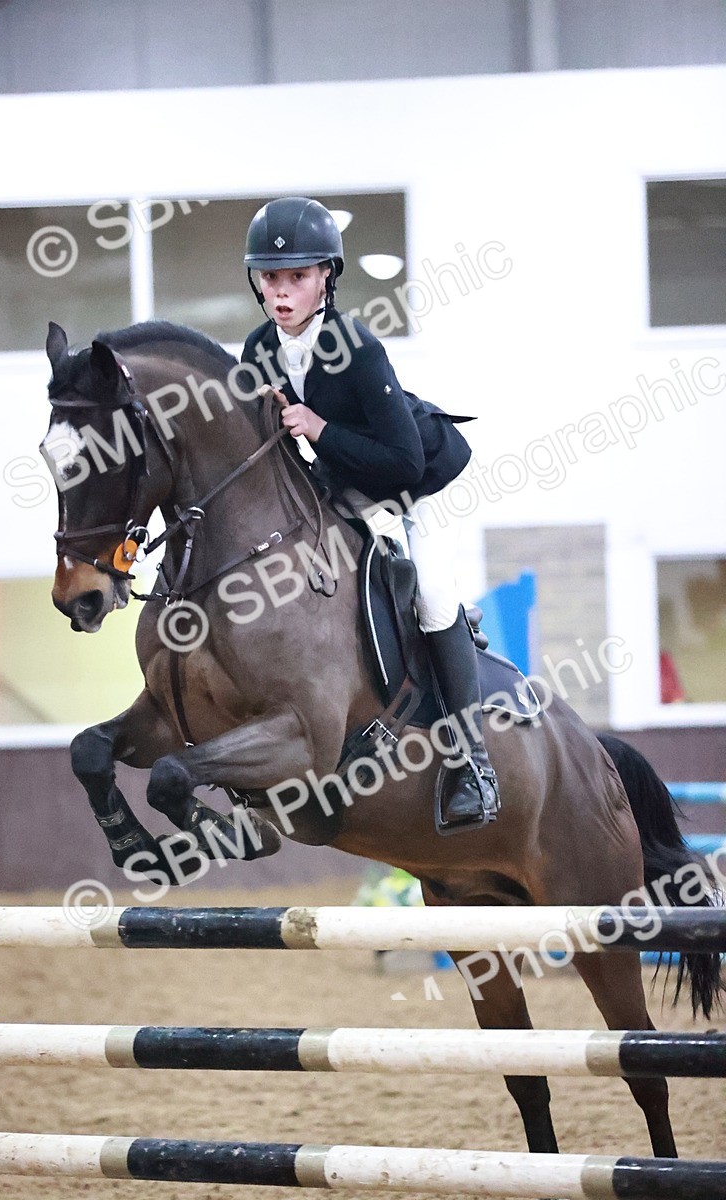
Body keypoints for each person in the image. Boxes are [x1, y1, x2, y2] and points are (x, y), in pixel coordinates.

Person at [241, 196, 499, 827]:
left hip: (413, 485)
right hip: (339, 491)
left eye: (297, 277)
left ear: (327, 275)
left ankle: (473, 764)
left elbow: (403, 463)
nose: (281, 291)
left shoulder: (355, 346)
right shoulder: (257, 349)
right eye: (271, 277)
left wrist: (319, 427)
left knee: (434, 593)